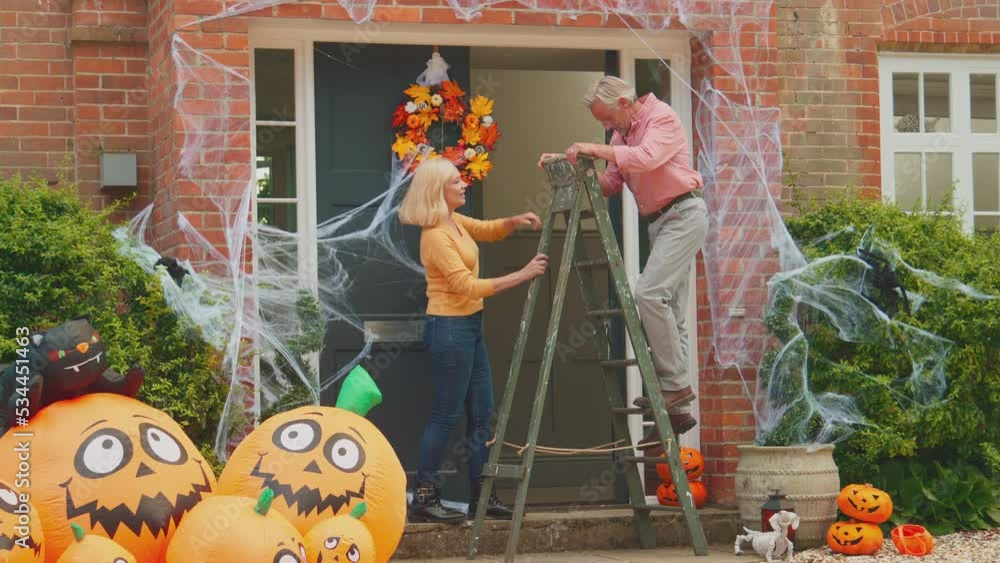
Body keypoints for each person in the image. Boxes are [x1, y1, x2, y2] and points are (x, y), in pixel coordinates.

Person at [538, 76, 708, 453]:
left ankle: (675, 387)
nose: (608, 127)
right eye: (603, 123)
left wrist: (594, 148)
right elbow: (610, 184)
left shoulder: (661, 118)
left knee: (648, 294)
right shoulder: (619, 137)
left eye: (609, 118)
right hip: (660, 222)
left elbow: (647, 158)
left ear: (627, 101)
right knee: (670, 311)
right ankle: (677, 408)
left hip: (684, 214)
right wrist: (566, 165)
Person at [398, 156, 548, 524]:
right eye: (455, 181)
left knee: (482, 413)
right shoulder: (435, 235)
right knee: (446, 415)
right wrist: (523, 274)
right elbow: (465, 286)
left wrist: (513, 221)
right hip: (449, 328)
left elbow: (486, 229)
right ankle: (425, 497)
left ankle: (484, 496)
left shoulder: (453, 221)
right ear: (438, 191)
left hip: (469, 325)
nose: (464, 184)